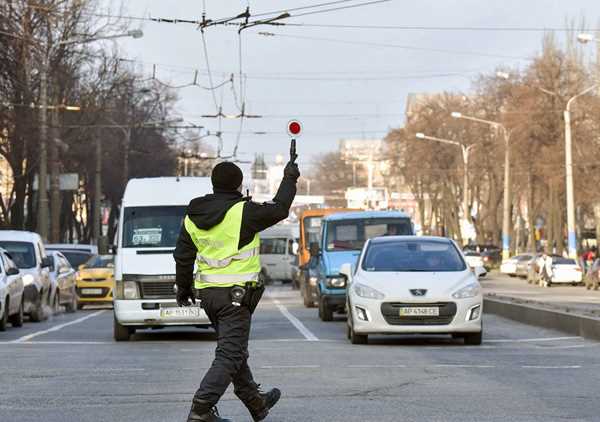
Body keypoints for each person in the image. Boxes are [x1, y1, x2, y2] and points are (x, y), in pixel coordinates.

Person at [174, 160, 299, 422]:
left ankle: (257, 403)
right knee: (230, 353)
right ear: (239, 185)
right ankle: (201, 409)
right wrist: (289, 177)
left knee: (234, 350)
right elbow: (280, 208)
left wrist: (183, 288)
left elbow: (183, 256)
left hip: (208, 295)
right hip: (236, 297)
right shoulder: (243, 212)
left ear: (213, 183)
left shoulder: (192, 216)